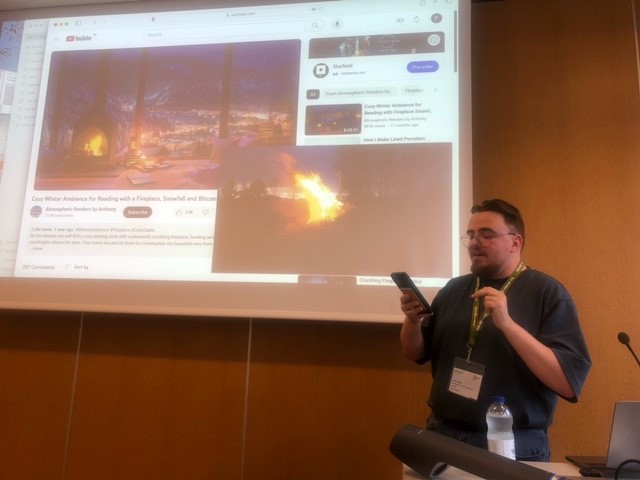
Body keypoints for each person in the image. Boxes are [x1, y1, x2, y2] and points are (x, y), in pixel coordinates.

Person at [400, 199, 591, 461]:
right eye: (471, 235)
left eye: (487, 234)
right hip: (444, 434)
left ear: (515, 242)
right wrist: (412, 322)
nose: (476, 241)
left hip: (511, 443)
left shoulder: (547, 293)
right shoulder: (454, 289)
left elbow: (568, 383)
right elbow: (414, 353)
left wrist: (507, 324)